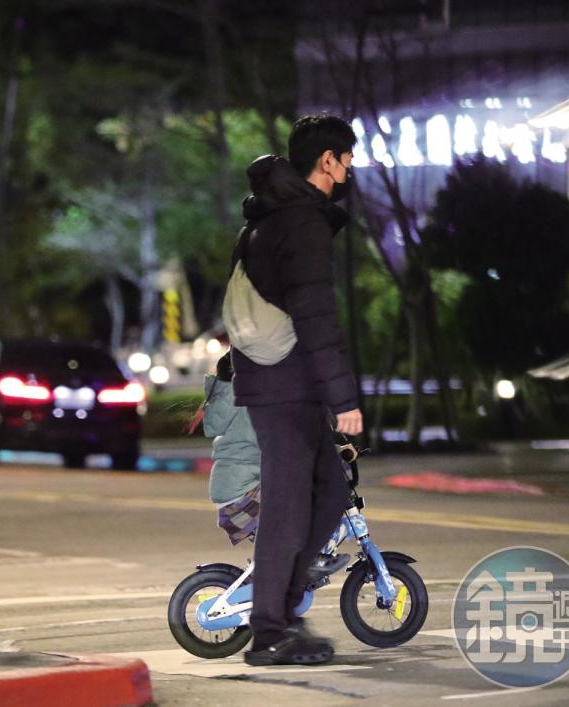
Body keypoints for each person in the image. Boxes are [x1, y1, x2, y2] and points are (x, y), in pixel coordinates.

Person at [230, 116, 363, 666]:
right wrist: (345, 398)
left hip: (282, 381)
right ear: (327, 161)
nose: (351, 167)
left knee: (330, 491)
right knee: (287, 508)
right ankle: (269, 630)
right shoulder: (300, 221)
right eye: (347, 157)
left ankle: (284, 608)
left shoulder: (272, 217)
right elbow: (313, 311)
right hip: (285, 385)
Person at [200, 351, 349, 569]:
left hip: (238, 489)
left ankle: (295, 566)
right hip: (243, 495)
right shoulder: (250, 398)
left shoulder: (236, 396)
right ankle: (306, 561)